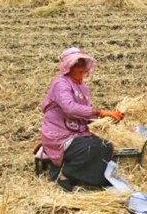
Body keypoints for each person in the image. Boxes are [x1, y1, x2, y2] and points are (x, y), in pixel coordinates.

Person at [40, 47, 123, 192]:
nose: (81, 69)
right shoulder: (61, 84)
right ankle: (63, 174)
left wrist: (107, 120)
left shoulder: (82, 87)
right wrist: (99, 113)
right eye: (77, 65)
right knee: (92, 148)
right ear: (68, 67)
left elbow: (84, 113)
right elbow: (70, 108)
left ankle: (89, 180)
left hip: (78, 133)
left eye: (83, 65)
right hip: (60, 135)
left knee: (106, 146)